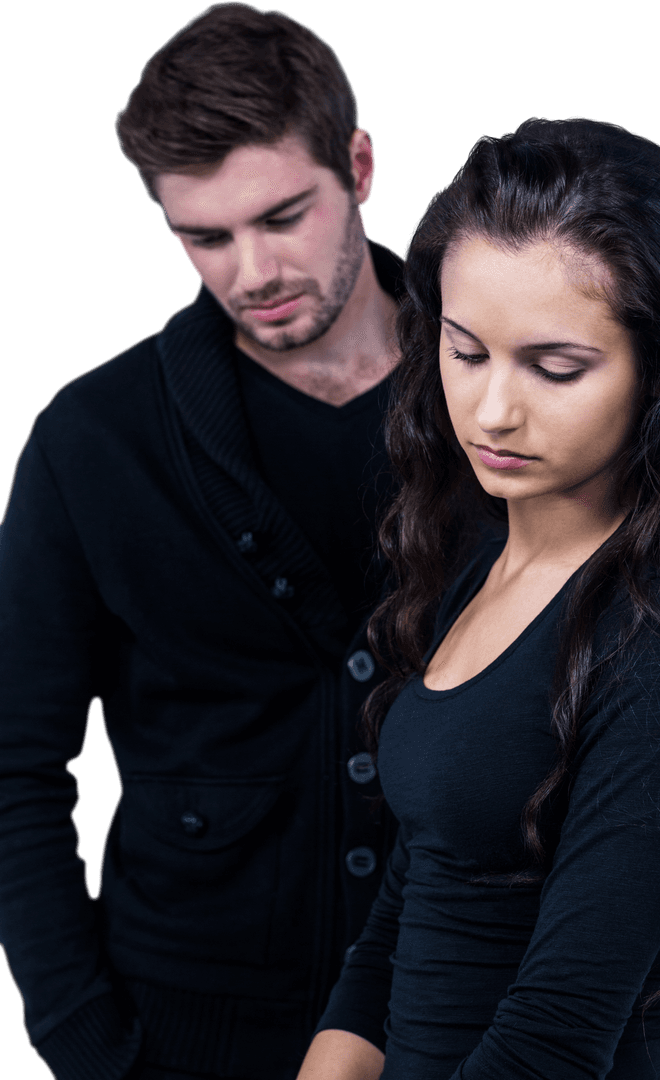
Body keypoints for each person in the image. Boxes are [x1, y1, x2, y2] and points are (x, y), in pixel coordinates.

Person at [0, 4, 402, 1079]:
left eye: (282, 217)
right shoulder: (91, 440)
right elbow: (16, 763)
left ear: (358, 166)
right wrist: (87, 1043)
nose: (252, 270)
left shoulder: (506, 397)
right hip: (185, 1026)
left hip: (476, 1000)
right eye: (205, 237)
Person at [296, 116, 660, 1080]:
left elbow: (556, 1035)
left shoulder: (659, 638)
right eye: (466, 351)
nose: (493, 411)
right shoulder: (480, 553)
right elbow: (411, 901)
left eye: (554, 367)